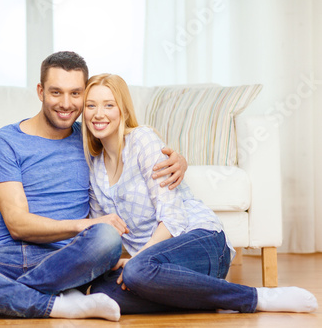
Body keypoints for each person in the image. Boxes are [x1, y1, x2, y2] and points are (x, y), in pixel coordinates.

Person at [0, 51, 187, 321]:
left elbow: (134, 147)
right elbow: (17, 224)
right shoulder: (3, 142)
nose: (66, 103)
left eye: (76, 93)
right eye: (56, 92)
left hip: (69, 259)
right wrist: (83, 224)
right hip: (8, 256)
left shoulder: (90, 139)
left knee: (107, 239)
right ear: (40, 91)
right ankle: (57, 304)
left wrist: (179, 160)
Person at [81, 73, 319, 314]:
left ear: (122, 109)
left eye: (108, 105)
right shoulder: (94, 167)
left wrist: (136, 260)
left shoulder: (142, 140)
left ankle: (255, 297)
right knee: (103, 292)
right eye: (91, 106)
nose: (98, 113)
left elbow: (173, 218)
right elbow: (107, 231)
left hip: (201, 241)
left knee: (135, 272)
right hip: (160, 268)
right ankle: (209, 295)